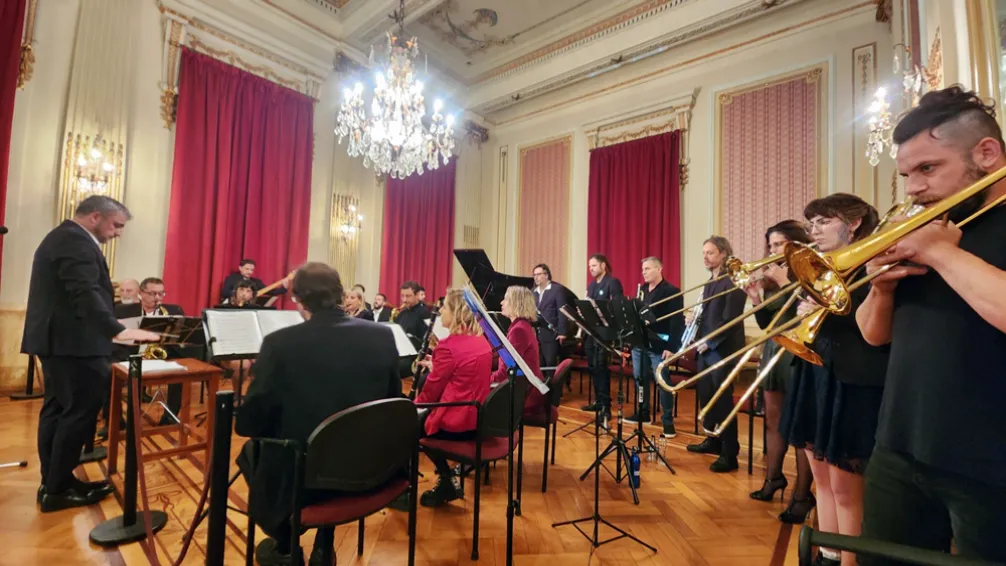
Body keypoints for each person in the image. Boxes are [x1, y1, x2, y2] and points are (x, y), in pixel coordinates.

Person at [856, 86, 1006, 565]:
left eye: (928, 168)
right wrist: (879, 289)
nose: (914, 188)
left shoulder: (939, 239)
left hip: (990, 464)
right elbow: (874, 335)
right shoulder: (928, 227)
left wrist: (940, 253)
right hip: (898, 449)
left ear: (987, 153)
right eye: (906, 174)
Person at [235, 263, 401, 566]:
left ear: (297, 299)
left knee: (252, 451)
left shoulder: (279, 343)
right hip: (371, 465)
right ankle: (324, 544)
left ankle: (286, 543)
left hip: (307, 479)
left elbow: (249, 423)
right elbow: (392, 401)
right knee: (331, 440)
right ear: (340, 294)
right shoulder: (382, 335)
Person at [21, 195, 159, 512]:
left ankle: (57, 481)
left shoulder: (64, 237)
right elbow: (83, 292)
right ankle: (56, 488)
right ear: (96, 217)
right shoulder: (74, 240)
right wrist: (118, 330)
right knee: (79, 412)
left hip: (62, 343)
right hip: (73, 345)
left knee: (58, 410)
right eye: (117, 225)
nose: (118, 233)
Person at [778, 194, 888, 566]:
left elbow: (876, 327)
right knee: (820, 478)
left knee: (845, 488)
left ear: (853, 223)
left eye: (824, 222)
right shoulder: (820, 265)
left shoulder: (872, 262)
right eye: (812, 224)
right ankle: (827, 553)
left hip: (852, 379)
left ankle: (849, 560)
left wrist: (827, 310)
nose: (814, 231)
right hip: (817, 370)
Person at [743, 220, 815, 522]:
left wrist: (786, 283)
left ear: (795, 244)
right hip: (775, 350)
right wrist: (757, 298)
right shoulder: (772, 278)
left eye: (779, 244)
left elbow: (809, 312)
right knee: (773, 422)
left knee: (799, 428)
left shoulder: (810, 270)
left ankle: (802, 494)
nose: (773, 250)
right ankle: (773, 479)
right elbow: (767, 325)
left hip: (799, 353)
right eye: (770, 245)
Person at [412, 289, 492, 507]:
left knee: (410, 427)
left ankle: (445, 480)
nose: (441, 312)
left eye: (445, 307)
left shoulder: (447, 347)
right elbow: (463, 373)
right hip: (478, 416)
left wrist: (411, 408)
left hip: (457, 421)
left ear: (456, 312)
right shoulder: (481, 340)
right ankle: (447, 480)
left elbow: (429, 394)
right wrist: (437, 365)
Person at [686, 236, 746, 473]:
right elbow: (706, 316)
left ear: (723, 253)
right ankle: (712, 439)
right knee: (706, 397)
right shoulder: (709, 283)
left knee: (722, 401)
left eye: (710, 253)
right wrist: (694, 323)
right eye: (704, 253)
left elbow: (730, 320)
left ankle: (730, 452)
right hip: (706, 349)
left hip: (723, 349)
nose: (705, 257)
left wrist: (710, 342)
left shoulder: (733, 280)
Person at [113, 277, 186, 426]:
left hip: (159, 355)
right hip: (129, 354)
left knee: (180, 373)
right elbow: (114, 338)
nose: (157, 298)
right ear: (141, 293)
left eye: (161, 293)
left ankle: (170, 416)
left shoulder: (173, 311)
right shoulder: (122, 310)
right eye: (153, 294)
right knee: (108, 373)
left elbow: (178, 340)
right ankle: (116, 421)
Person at [626, 257, 684, 439]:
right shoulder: (642, 290)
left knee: (662, 383)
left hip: (660, 345)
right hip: (640, 342)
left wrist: (672, 346)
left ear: (659, 269)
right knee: (640, 379)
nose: (644, 272)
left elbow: (677, 322)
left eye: (648, 268)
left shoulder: (672, 291)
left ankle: (667, 421)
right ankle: (643, 413)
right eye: (643, 269)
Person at [580, 253, 623, 426]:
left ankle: (606, 406)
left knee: (601, 367)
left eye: (594, 266)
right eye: (590, 266)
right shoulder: (591, 285)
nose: (591, 269)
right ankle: (598, 401)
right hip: (591, 332)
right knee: (593, 368)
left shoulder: (612, 282)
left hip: (604, 333)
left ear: (603, 266)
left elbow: (617, 305)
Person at [492, 286, 546, 416]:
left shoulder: (518, 330)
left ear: (516, 303)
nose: (501, 303)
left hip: (526, 394)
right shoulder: (521, 325)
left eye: (505, 299)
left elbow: (504, 373)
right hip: (526, 387)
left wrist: (483, 379)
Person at [531, 264, 569, 374]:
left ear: (546, 275)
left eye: (539, 274)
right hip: (536, 335)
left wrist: (562, 332)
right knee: (539, 364)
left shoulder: (557, 289)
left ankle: (552, 390)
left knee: (550, 364)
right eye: (534, 275)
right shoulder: (533, 291)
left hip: (551, 334)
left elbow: (562, 311)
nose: (536, 277)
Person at [220, 258, 289, 305]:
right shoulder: (232, 278)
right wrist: (240, 295)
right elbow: (225, 292)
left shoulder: (256, 282)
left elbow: (270, 291)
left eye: (252, 270)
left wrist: (284, 288)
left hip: (248, 308)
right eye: (247, 269)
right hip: (231, 306)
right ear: (240, 268)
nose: (250, 272)